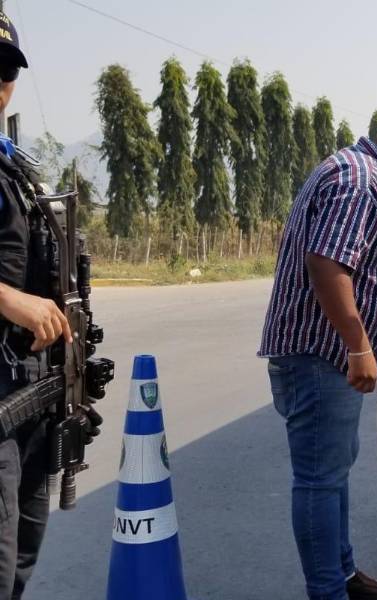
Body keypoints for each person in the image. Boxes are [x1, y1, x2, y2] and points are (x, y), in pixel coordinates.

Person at [258, 103, 377, 600]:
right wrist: (359, 347)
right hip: (321, 355)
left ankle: (342, 577)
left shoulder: (373, 177)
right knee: (320, 479)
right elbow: (328, 264)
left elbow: (375, 253)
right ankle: (328, 593)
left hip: (329, 356)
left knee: (334, 470)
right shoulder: (360, 180)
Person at [0, 12, 73, 600]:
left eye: (4, 71)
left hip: (28, 394)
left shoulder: (13, 166)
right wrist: (11, 301)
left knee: (22, 557)